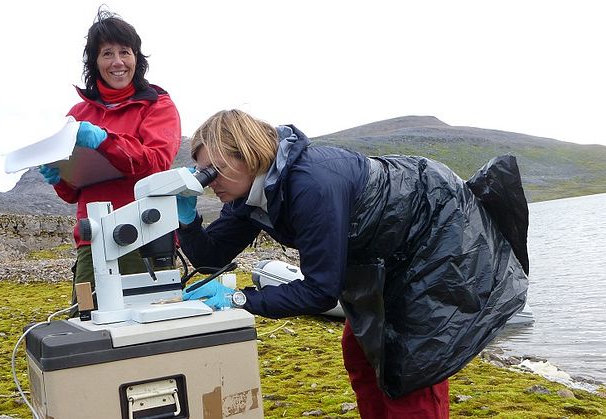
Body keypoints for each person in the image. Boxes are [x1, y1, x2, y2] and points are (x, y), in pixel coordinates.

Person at [176, 109, 529, 418]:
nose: (208, 182)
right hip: (385, 255)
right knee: (359, 350)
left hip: (442, 233)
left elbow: (320, 292)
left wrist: (241, 299)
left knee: (409, 363)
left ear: (248, 156)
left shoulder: (310, 184)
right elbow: (211, 258)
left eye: (215, 170)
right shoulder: (251, 196)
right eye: (202, 171)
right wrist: (187, 220)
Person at [39, 10, 181, 315]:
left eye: (124, 52)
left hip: (144, 235)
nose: (117, 62)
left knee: (147, 324)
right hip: (93, 241)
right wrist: (59, 177)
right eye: (107, 53)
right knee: (90, 322)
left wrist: (105, 141)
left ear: (137, 58)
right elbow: (73, 194)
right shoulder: (78, 114)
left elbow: (157, 162)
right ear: (95, 62)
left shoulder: (157, 105)